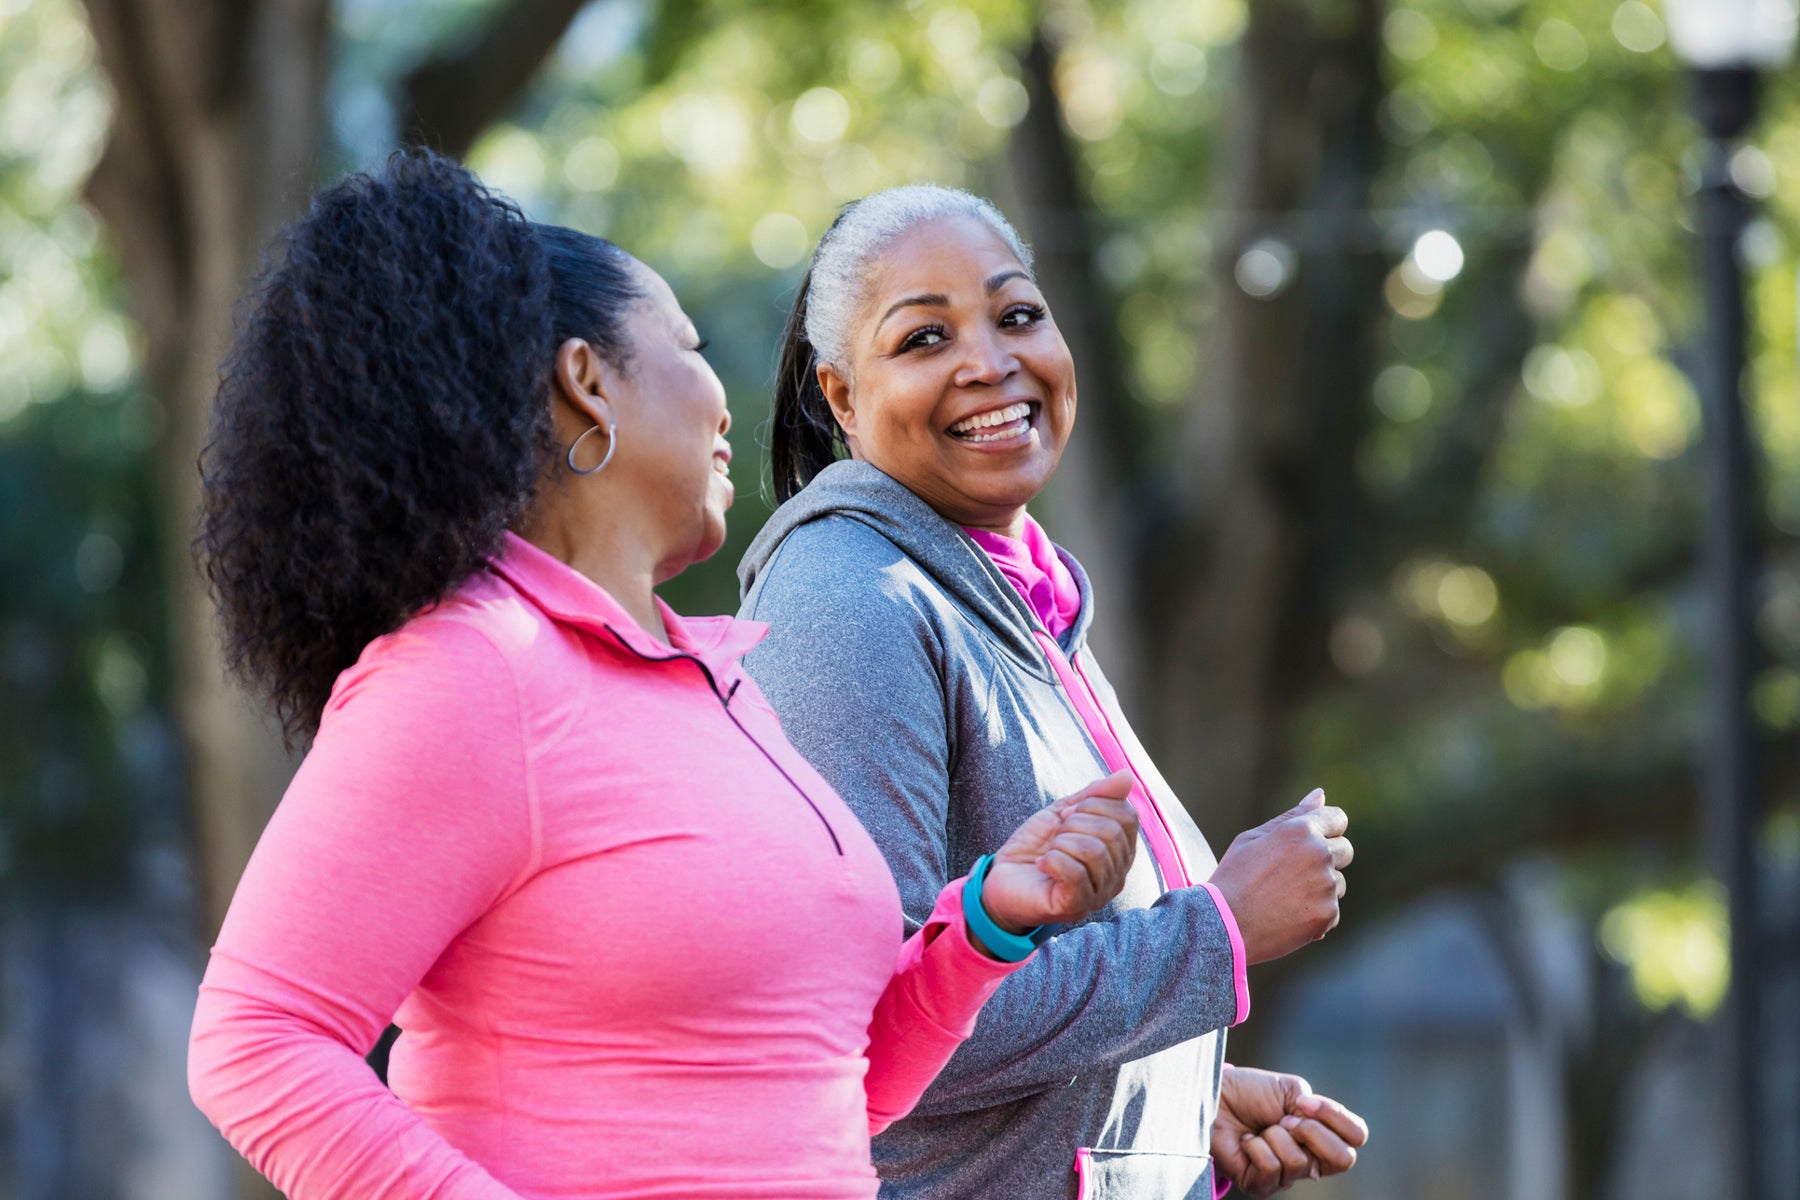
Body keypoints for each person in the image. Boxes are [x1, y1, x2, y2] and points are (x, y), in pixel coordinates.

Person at [184, 152, 1146, 1200]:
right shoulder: (471, 670)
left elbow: (825, 1087)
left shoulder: (718, 684)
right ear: (587, 381)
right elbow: (256, 1040)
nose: (726, 403)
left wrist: (989, 922)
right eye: (687, 348)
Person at [737, 185, 1369, 1200]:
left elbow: (1018, 1006)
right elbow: (877, 1023)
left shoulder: (1018, 592)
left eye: (1016, 314)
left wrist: (1175, 1095)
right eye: (925, 338)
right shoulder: (852, 598)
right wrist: (1217, 932)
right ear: (844, 397)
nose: (990, 361)